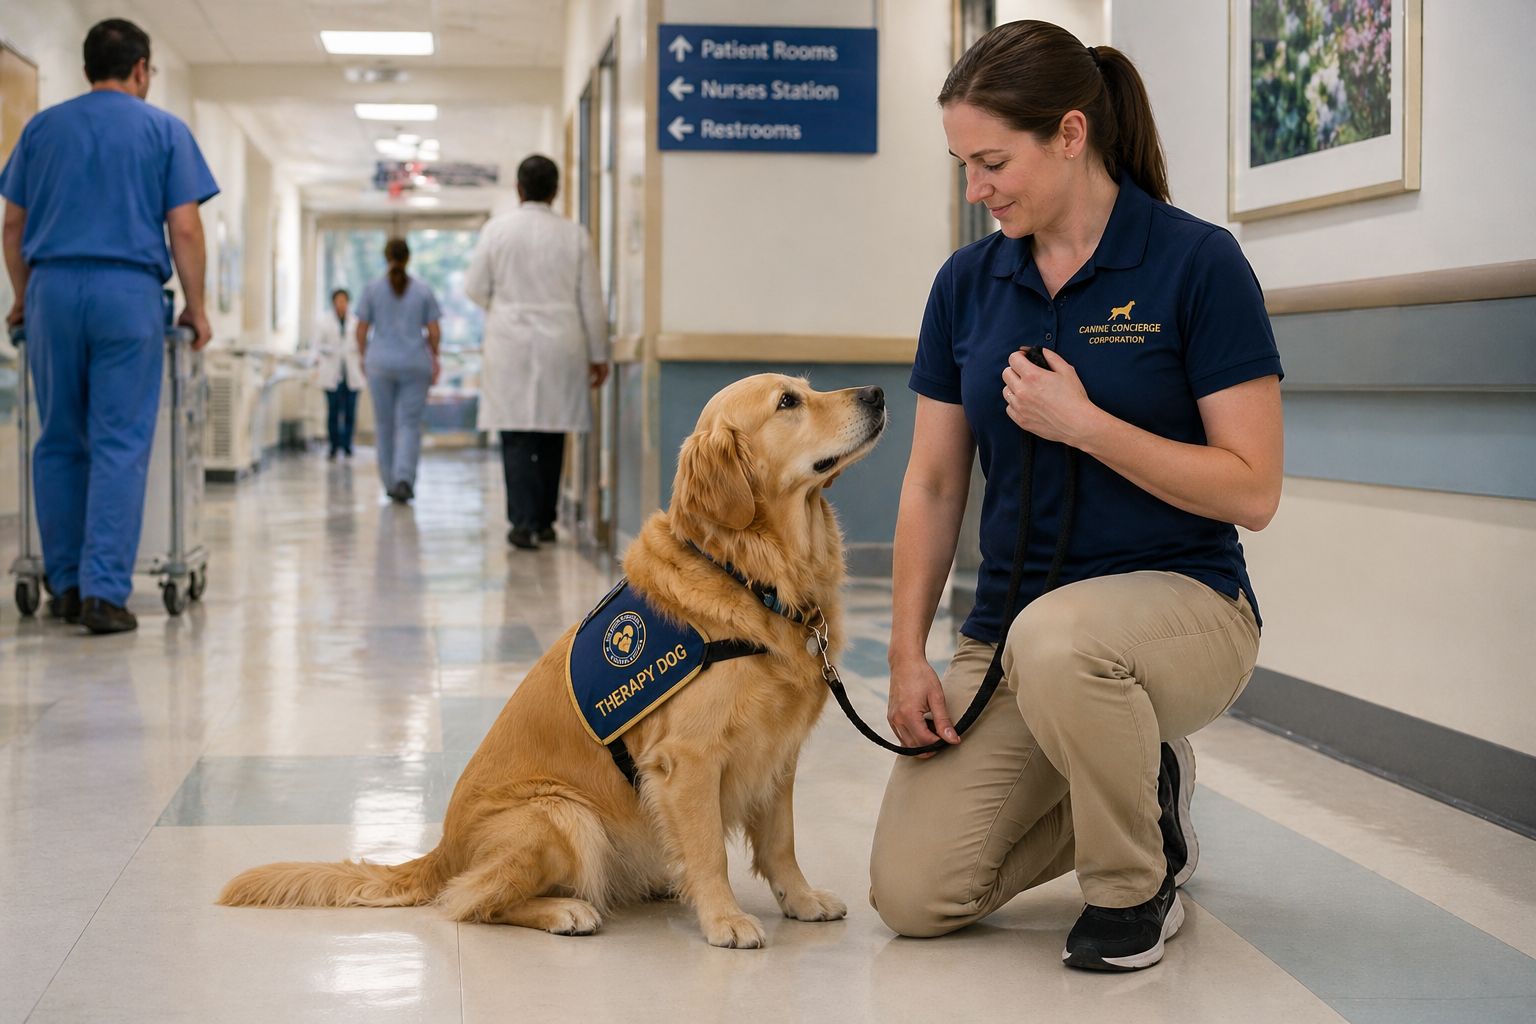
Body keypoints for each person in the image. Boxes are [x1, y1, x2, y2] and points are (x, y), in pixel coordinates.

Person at [867, 22, 1283, 972]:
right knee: (916, 895)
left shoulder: (1195, 263)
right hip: (1010, 635)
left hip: (1185, 608)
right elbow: (933, 483)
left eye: (992, 161)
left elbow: (1253, 490)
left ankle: (1134, 887)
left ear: (1068, 134)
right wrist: (905, 657)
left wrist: (1087, 425)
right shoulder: (969, 284)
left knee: (1064, 641)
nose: (975, 189)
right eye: (963, 165)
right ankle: (1141, 779)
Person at [0, 19, 217, 635]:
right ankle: (103, 595)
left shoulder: (41, 129)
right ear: (142, 69)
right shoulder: (165, 131)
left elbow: (11, 227)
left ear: (88, 67)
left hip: (52, 292)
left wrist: (23, 298)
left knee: (59, 439)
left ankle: (63, 586)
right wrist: (195, 307)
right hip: (127, 294)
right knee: (120, 442)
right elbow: (185, 228)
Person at [465, 154, 608, 551]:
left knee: (516, 435)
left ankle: (523, 522)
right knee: (552, 432)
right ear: (556, 190)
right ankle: (545, 520)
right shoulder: (575, 234)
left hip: (510, 339)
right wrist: (599, 354)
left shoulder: (497, 231)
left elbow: (475, 287)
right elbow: (591, 301)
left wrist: (506, 304)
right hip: (561, 341)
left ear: (518, 188)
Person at [355, 238, 440, 503]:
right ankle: (404, 479)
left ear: (385, 257)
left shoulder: (372, 289)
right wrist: (434, 357)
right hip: (415, 363)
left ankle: (389, 481)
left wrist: (364, 356)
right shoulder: (423, 290)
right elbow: (434, 331)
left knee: (384, 424)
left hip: (380, 364)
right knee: (410, 424)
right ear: (408, 258)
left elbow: (361, 330)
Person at [313, 288, 361, 459]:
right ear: (333, 302)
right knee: (333, 411)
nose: (341, 304)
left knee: (350, 411)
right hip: (331, 372)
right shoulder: (323, 322)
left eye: (344, 300)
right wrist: (332, 349)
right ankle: (334, 445)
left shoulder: (356, 322)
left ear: (348, 302)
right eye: (338, 300)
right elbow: (317, 345)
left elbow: (362, 345)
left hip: (351, 373)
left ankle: (347, 445)